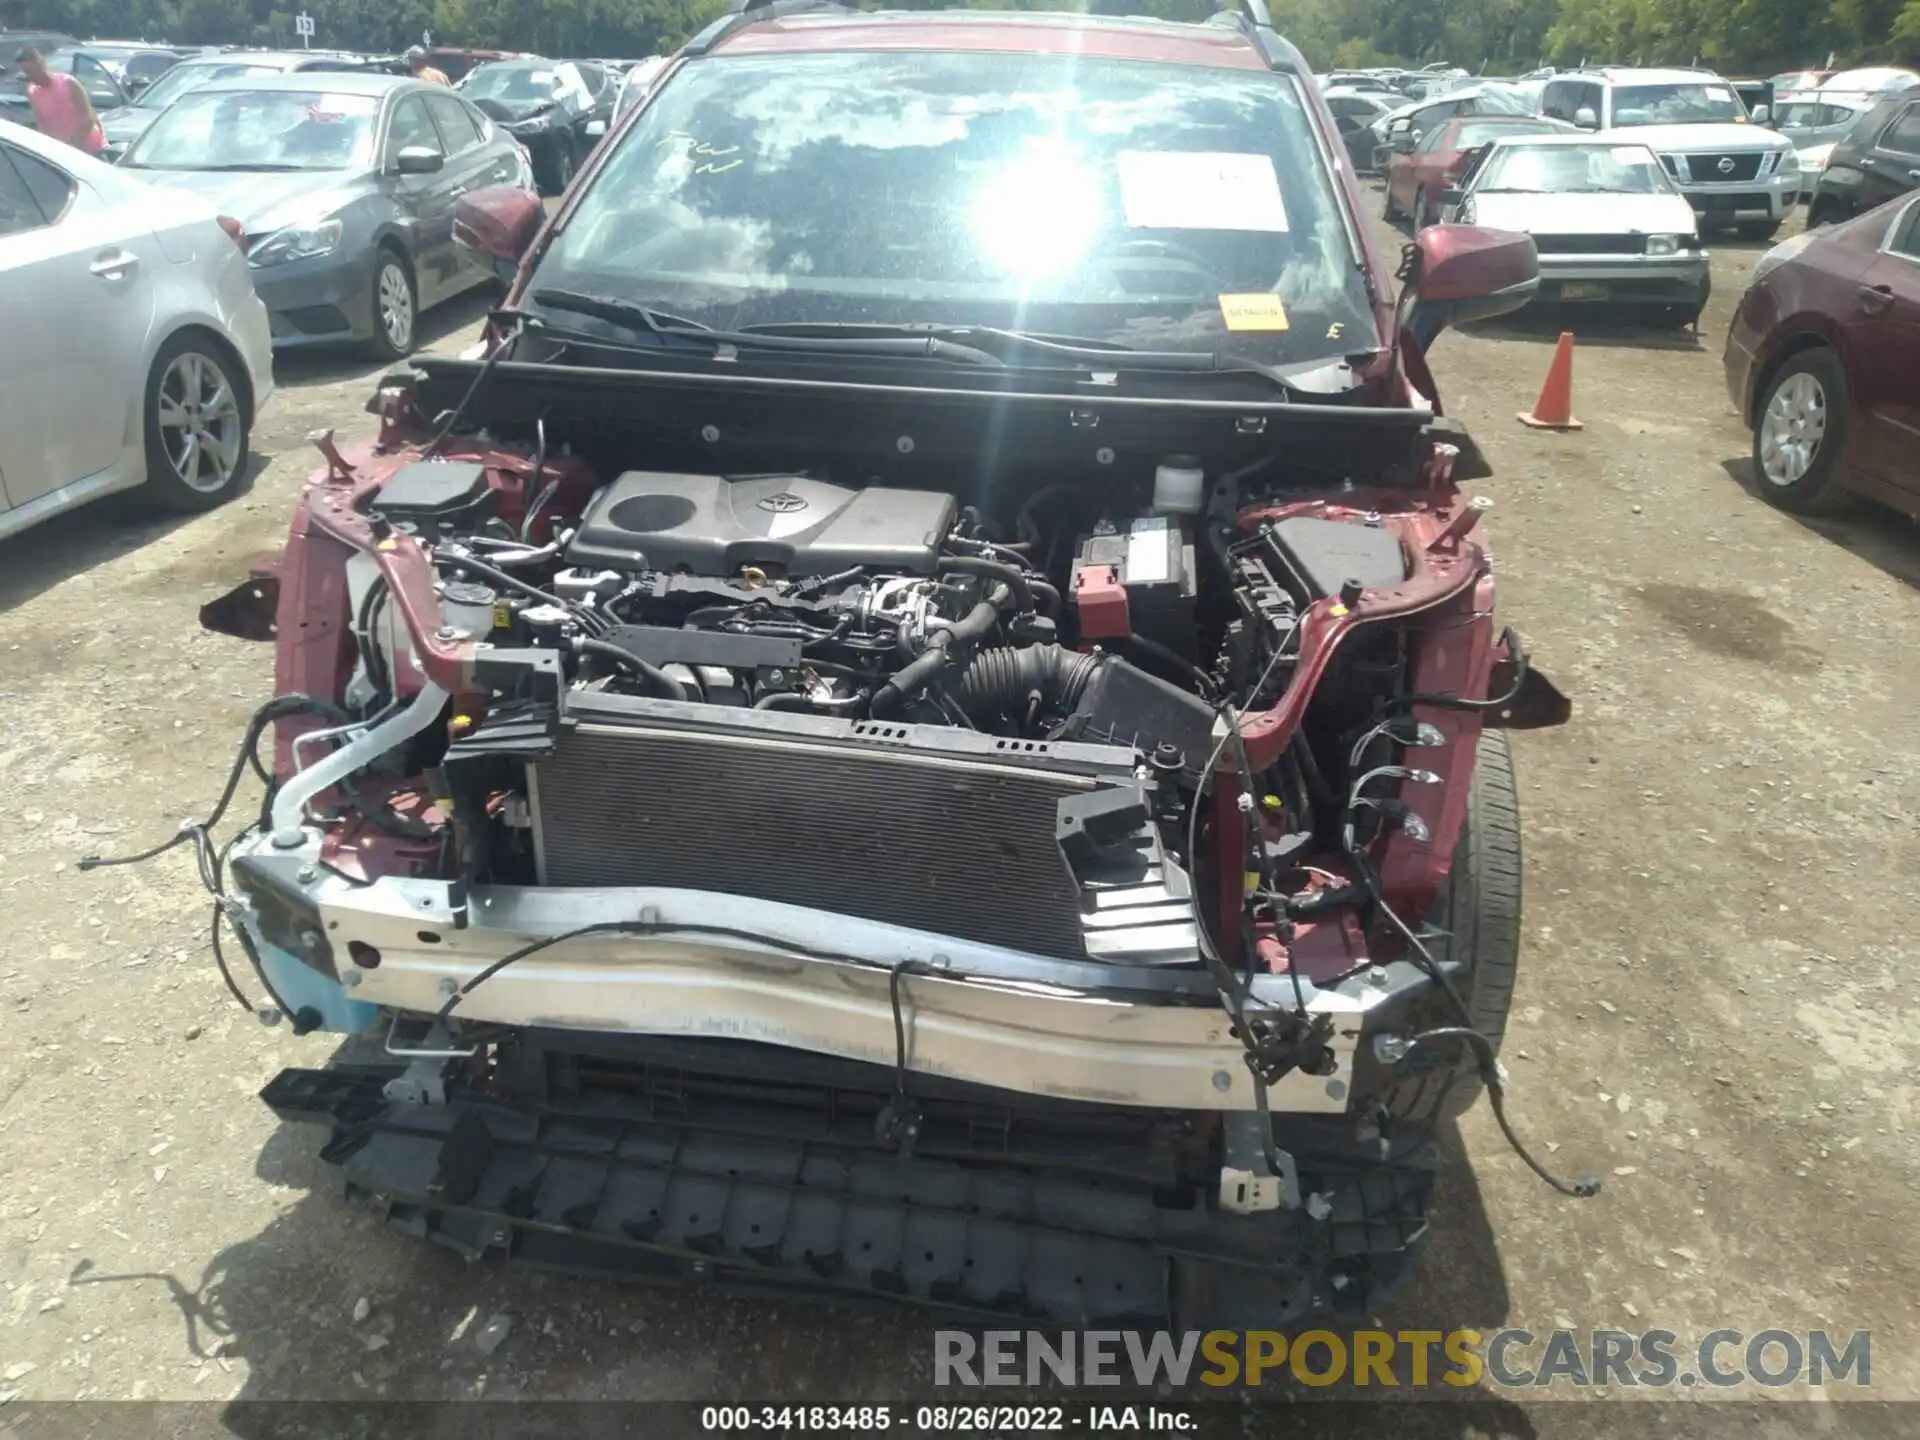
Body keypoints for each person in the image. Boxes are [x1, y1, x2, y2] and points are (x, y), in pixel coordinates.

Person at [15, 48, 104, 154]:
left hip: (90, 149)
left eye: (28, 71)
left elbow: (88, 117)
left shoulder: (68, 83)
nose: (27, 75)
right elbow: (42, 125)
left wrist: (75, 144)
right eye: (25, 72)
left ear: (39, 63)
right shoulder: (33, 92)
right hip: (62, 152)